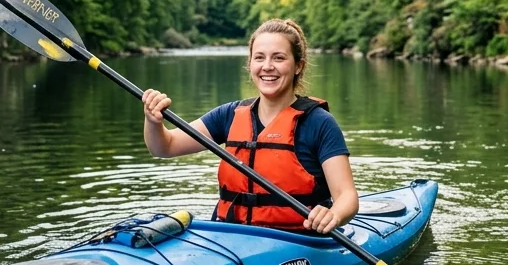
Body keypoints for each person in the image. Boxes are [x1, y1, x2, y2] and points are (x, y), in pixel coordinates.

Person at [141, 18, 359, 234]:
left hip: (298, 239)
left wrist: (333, 215)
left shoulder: (319, 123)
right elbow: (165, 147)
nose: (267, 67)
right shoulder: (228, 115)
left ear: (298, 66)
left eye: (279, 58)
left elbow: (347, 197)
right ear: (250, 64)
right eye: (259, 58)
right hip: (233, 236)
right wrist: (153, 121)